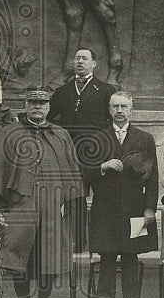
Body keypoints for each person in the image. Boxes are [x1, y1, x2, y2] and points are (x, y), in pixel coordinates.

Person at [0, 88, 84, 298]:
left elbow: (72, 169)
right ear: (26, 105)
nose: (37, 107)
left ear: (49, 107)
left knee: (49, 253)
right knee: (18, 251)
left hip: (52, 204)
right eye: (32, 103)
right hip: (20, 202)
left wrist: (69, 202)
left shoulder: (60, 134)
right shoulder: (9, 133)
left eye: (42, 104)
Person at [83, 91, 157, 298]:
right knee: (106, 255)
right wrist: (102, 167)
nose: (119, 111)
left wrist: (149, 208)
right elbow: (84, 172)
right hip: (105, 208)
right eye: (115, 106)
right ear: (109, 109)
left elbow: (153, 177)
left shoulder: (144, 138)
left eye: (124, 106)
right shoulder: (97, 138)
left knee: (130, 256)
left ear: (131, 110)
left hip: (134, 208)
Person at [48, 48, 117, 254]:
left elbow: (113, 122)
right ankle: (77, 244)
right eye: (77, 58)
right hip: (70, 154)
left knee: (103, 197)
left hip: (98, 153)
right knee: (75, 198)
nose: (80, 62)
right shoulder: (62, 92)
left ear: (94, 64)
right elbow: (48, 117)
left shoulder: (105, 91)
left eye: (84, 58)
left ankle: (104, 242)